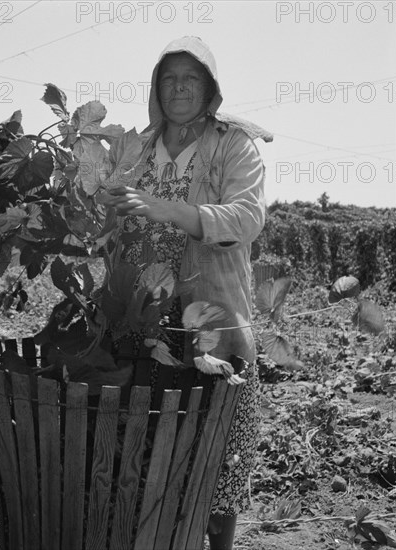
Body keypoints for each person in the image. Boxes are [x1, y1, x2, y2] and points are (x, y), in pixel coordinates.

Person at [104, 36, 271, 550]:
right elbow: (106, 216)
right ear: (156, 88)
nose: (178, 86)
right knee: (144, 456)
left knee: (216, 462)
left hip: (211, 322)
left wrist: (167, 210)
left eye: (190, 78)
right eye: (168, 77)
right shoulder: (134, 147)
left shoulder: (232, 144)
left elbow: (247, 218)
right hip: (141, 321)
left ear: (210, 89)